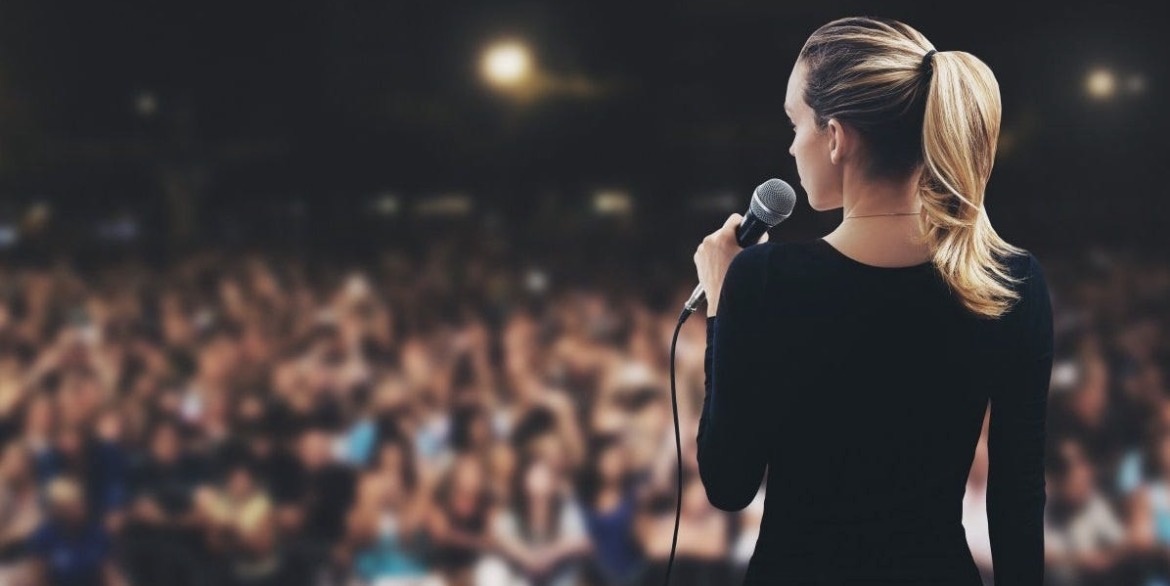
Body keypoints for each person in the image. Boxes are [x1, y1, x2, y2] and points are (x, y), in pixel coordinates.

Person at [692, 16, 1055, 585]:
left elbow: (728, 484)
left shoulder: (764, 279)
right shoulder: (1012, 281)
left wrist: (722, 300)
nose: (791, 146)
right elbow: (1018, 498)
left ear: (836, 137)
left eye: (795, 123)